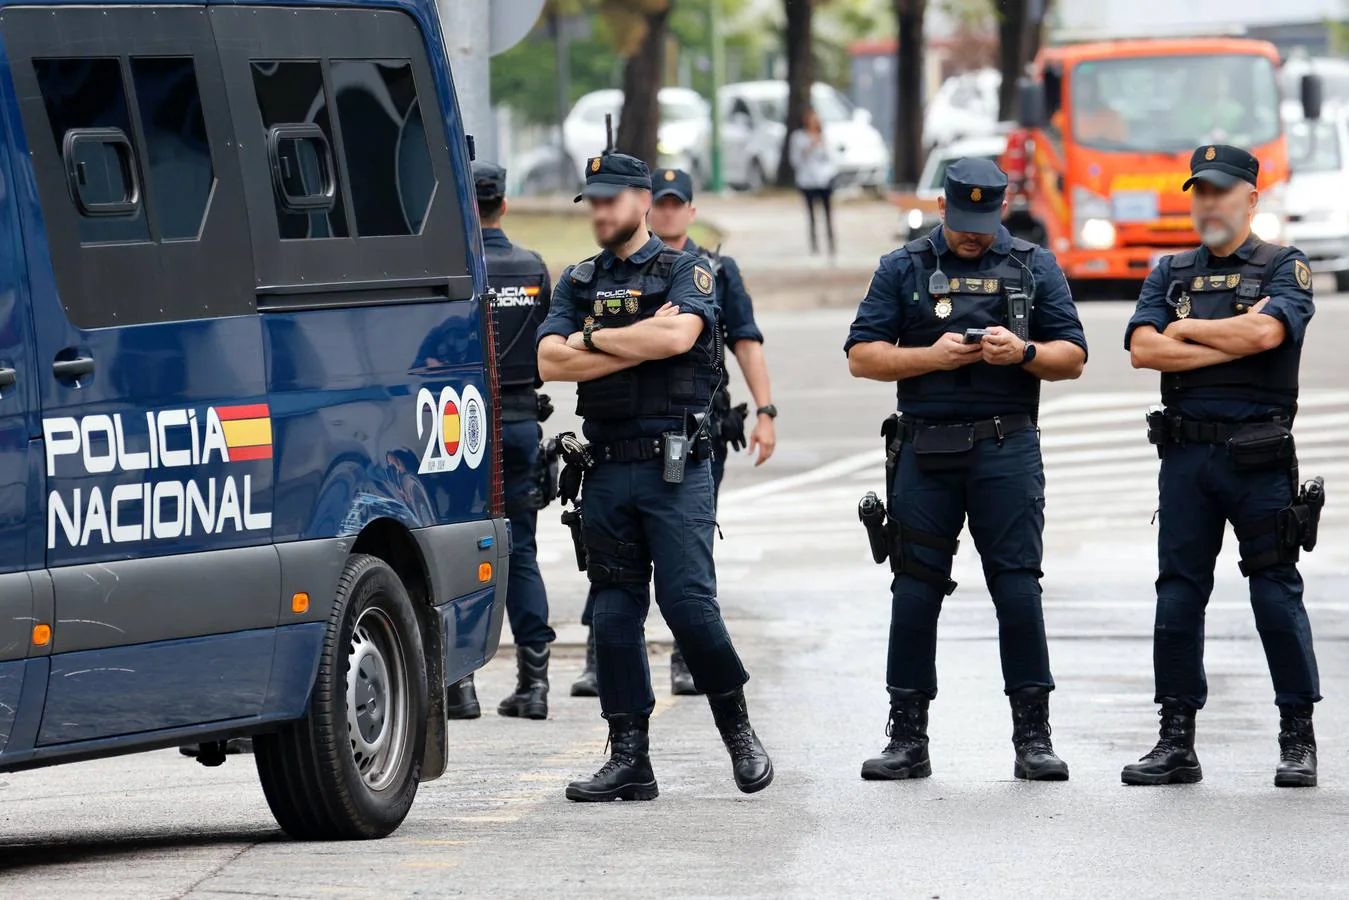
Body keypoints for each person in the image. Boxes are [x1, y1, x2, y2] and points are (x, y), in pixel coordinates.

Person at [538, 152, 773, 801]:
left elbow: (677, 342)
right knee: (612, 617)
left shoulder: (689, 268)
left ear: (643, 201)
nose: (600, 212)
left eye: (611, 199)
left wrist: (590, 340)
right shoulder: (579, 278)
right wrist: (621, 337)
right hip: (607, 468)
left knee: (689, 607)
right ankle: (629, 759)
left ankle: (739, 734)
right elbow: (548, 361)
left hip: (675, 467)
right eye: (592, 201)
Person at [845, 158, 1088, 782]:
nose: (974, 235)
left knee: (1017, 588)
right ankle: (907, 736)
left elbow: (1074, 356)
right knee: (915, 590)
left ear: (1001, 211)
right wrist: (930, 357)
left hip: (1007, 448)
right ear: (943, 209)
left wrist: (1024, 352)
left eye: (986, 221)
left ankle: (1033, 736)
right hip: (927, 451)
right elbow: (861, 357)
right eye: (963, 222)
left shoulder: (1033, 265)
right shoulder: (904, 267)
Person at [1121, 145, 1321, 788]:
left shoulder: (1284, 267)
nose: (1208, 203)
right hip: (1185, 458)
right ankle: (1175, 738)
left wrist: (1186, 334)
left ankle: (1297, 737)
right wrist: (1222, 335)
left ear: (1251, 199)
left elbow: (1267, 337)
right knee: (1178, 595)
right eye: (1199, 192)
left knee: (1274, 592)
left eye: (1221, 192)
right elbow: (1142, 351)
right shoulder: (1170, 271)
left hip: (1258, 458)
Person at [570, 167, 779, 698]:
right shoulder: (585, 278)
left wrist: (766, 410)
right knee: (614, 581)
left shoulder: (707, 270)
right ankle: (601, 664)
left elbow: (737, 342)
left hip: (691, 431)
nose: (665, 212)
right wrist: (634, 336)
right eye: (659, 203)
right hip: (613, 450)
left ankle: (693, 668)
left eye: (673, 204)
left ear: (689, 210)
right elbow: (551, 357)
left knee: (687, 578)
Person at [445, 161, 557, 721]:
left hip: (466, 427)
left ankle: (460, 686)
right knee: (525, 553)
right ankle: (534, 685)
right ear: (504, 205)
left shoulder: (458, 267)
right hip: (521, 423)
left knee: (464, 552)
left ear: (468, 204)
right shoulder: (533, 268)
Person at [789, 106, 837, 259]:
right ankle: (814, 244)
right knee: (811, 215)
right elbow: (795, 160)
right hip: (807, 180)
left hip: (824, 179)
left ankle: (831, 243)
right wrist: (810, 147)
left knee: (828, 213)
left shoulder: (825, 136)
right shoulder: (798, 137)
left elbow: (832, 158)